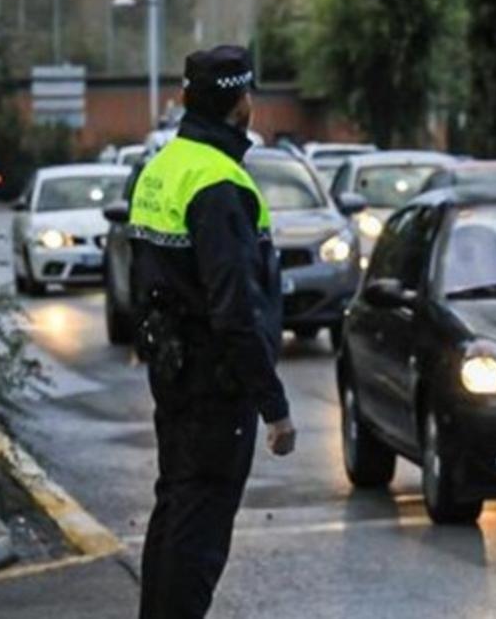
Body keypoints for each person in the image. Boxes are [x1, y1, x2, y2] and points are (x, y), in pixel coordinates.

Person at [128, 45, 296, 619]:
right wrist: (273, 405)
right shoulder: (219, 183)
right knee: (198, 535)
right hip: (213, 384)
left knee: (174, 507)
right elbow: (235, 310)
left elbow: (142, 283)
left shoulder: (162, 169)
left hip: (173, 373)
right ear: (241, 102)